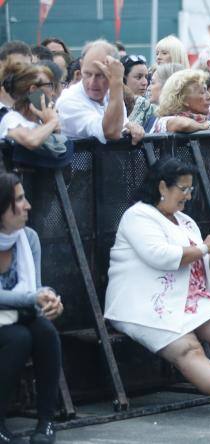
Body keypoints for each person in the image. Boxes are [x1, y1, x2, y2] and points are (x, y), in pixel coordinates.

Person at [104, 157, 210, 419]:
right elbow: (161, 256)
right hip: (142, 305)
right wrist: (205, 247)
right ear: (162, 187)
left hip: (184, 300)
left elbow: (199, 270)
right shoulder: (137, 215)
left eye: (190, 189)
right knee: (189, 348)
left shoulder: (185, 220)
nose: (188, 196)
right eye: (183, 189)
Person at [0, 173, 64, 444]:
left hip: (18, 316)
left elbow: (35, 288)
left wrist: (50, 299)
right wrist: (33, 298)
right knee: (18, 338)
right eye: (19, 199)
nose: (27, 205)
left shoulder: (30, 238)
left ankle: (46, 422)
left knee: (46, 332)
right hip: (7, 324)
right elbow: (29, 296)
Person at [55, 39, 145, 145]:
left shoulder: (110, 93)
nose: (92, 82)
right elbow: (111, 132)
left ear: (113, 71)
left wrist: (130, 126)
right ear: (81, 65)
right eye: (87, 74)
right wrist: (116, 81)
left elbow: (120, 125)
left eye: (100, 75)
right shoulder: (69, 101)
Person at [151, 69, 210, 133]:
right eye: (202, 92)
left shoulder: (208, 116)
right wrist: (205, 127)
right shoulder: (163, 121)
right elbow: (184, 124)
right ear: (184, 99)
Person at [0, 62, 61, 153]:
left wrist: (54, 130)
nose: (53, 93)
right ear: (34, 90)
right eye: (49, 86)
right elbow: (32, 140)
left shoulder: (42, 121)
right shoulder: (11, 118)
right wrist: (52, 122)